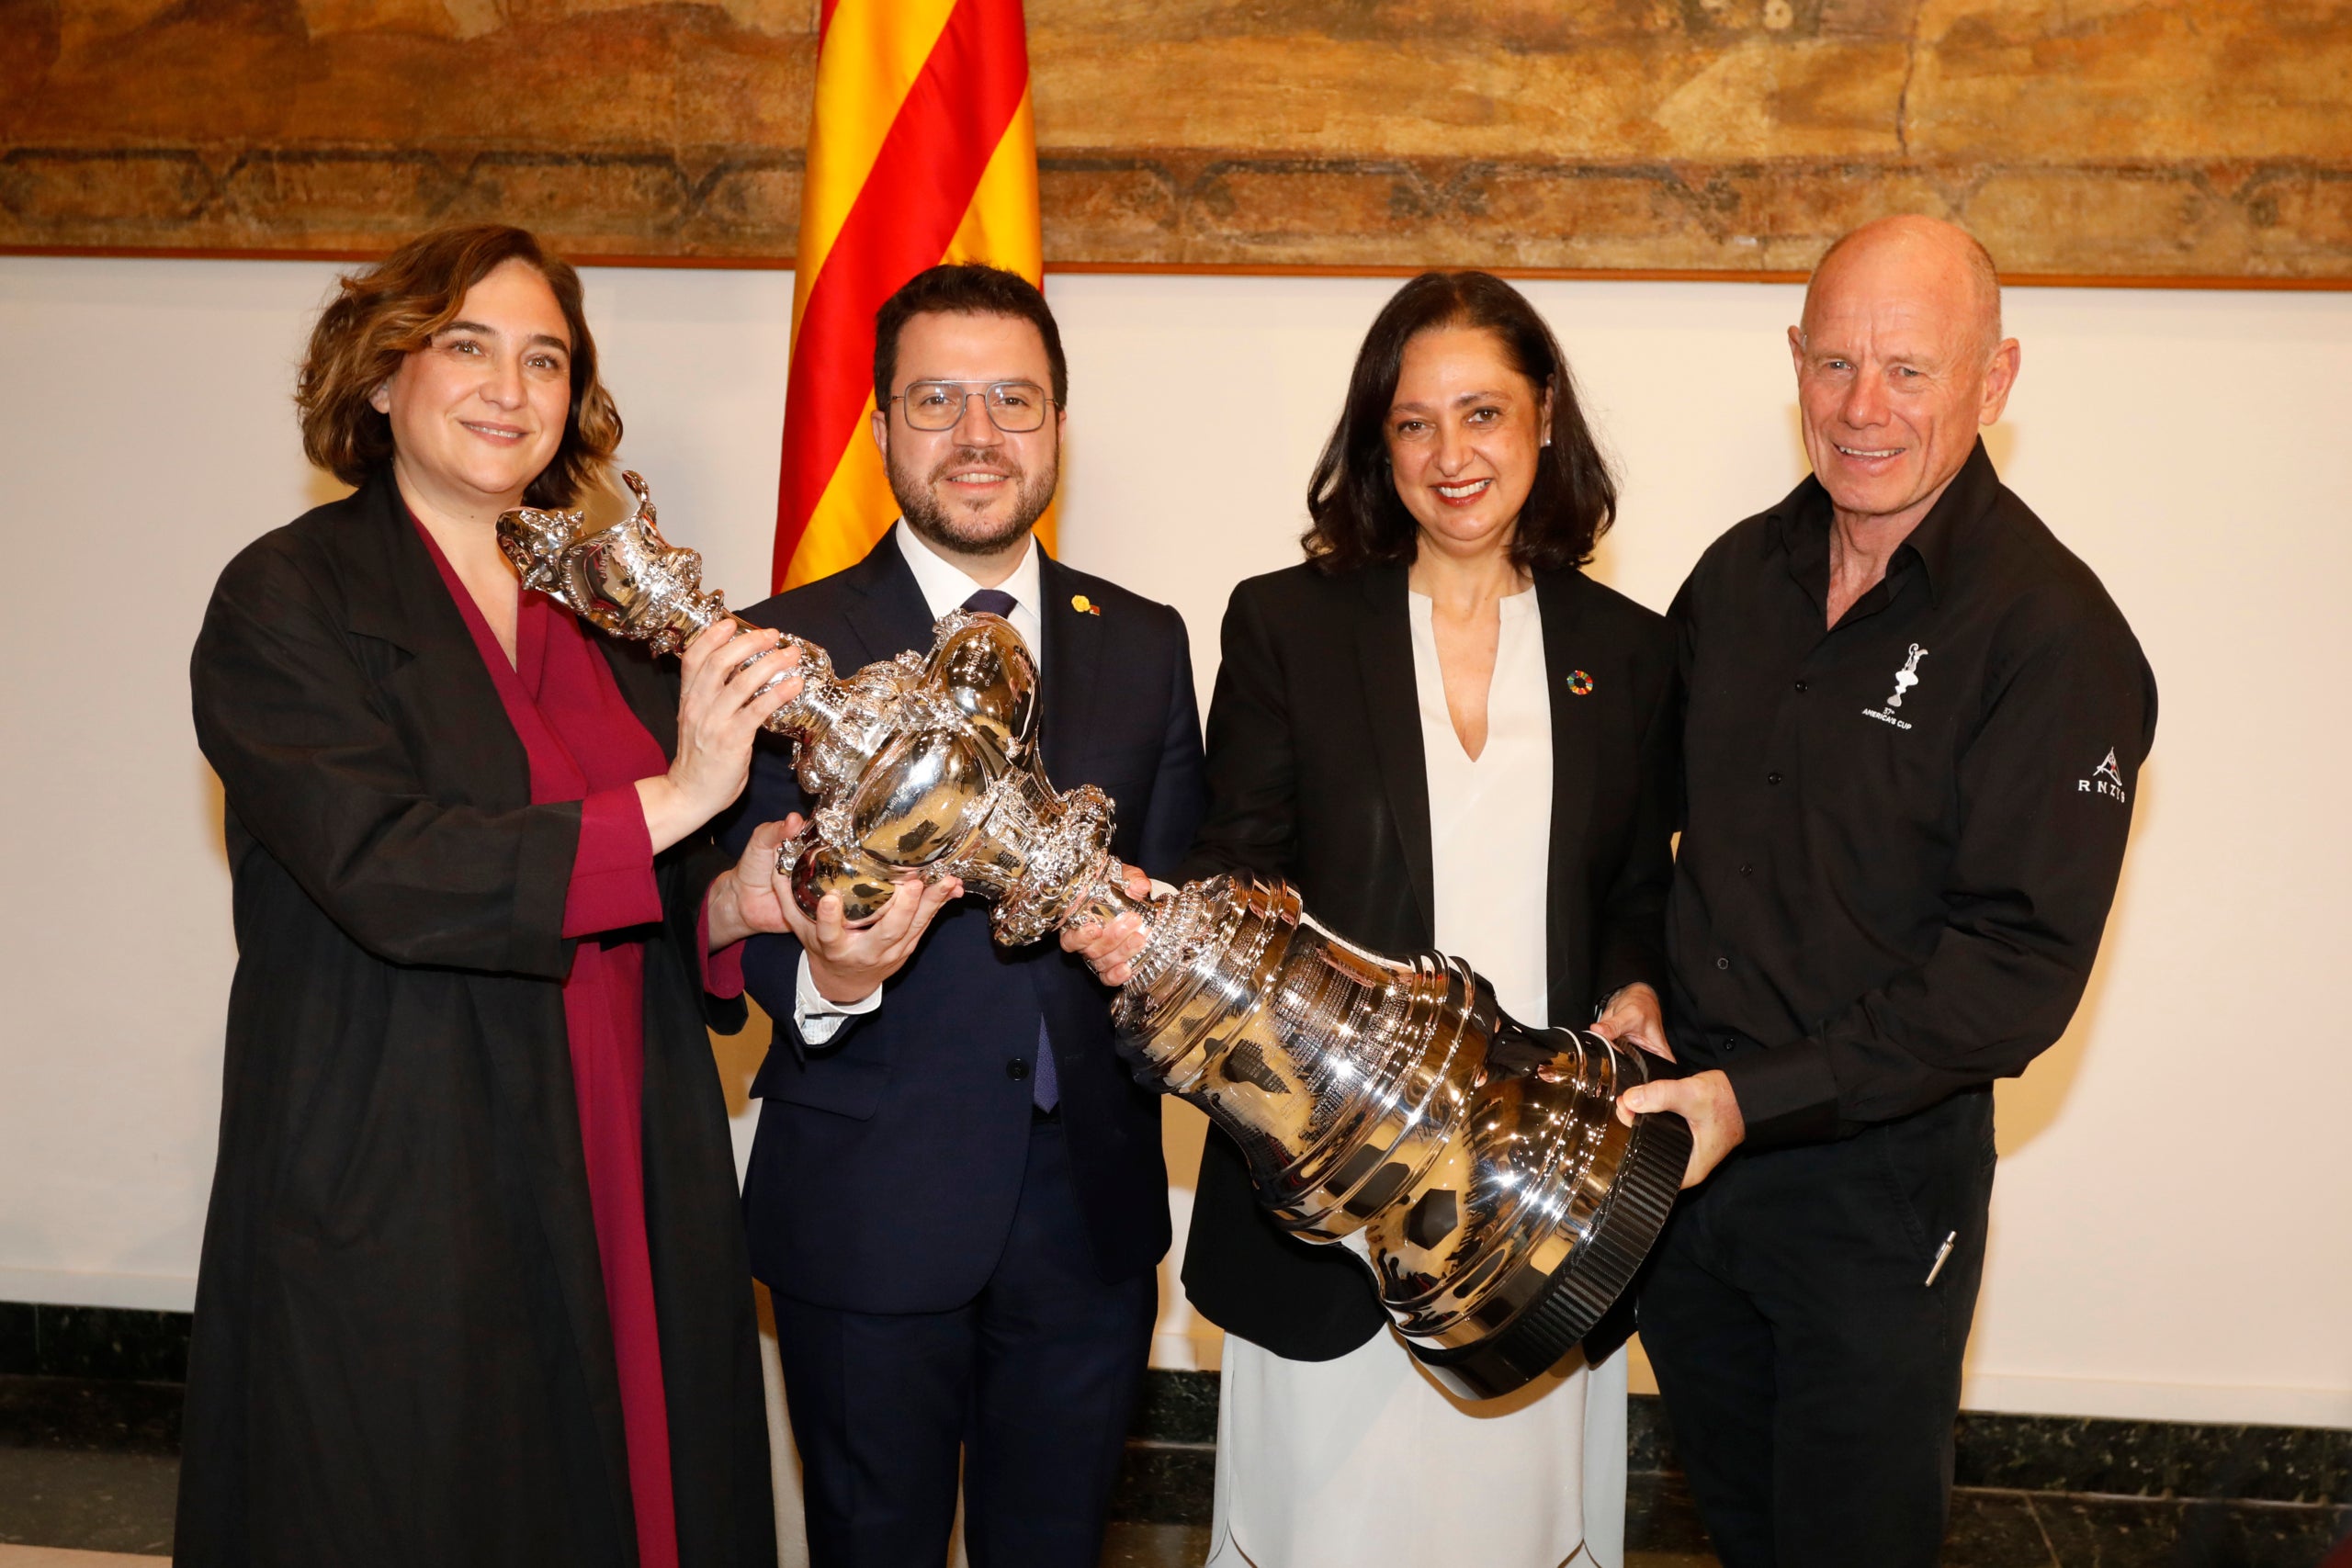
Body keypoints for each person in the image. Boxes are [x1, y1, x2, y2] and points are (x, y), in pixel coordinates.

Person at [180, 223, 797, 1568]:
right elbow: (394, 871)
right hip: (412, 1154)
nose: (509, 388)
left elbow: (644, 878)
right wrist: (686, 798)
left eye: (546, 360)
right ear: (384, 373)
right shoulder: (284, 597)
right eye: (466, 346)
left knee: (640, 1494)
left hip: (623, 1142)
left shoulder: (609, 613)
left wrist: (741, 899)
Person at [1618, 216, 2159, 1566]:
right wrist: (1632, 975)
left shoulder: (2055, 638)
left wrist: (1756, 1099)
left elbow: (2014, 975)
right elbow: (1635, 826)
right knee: (1735, 1531)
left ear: (1996, 379)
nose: (1863, 409)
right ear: (1793, 362)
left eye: (1910, 371)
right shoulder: (1735, 578)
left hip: (1876, 1198)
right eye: (1836, 363)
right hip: (1682, 1171)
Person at [1170, 270, 1679, 1567]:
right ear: (1375, 439)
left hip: (1541, 1195)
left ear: (1545, 418)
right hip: (1337, 1198)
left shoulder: (1629, 652)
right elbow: (1238, 881)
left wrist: (1635, 990)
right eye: (1414, 423)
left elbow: (1635, 890)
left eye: (1484, 414)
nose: (1451, 456)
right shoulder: (1288, 627)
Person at [723, 263, 1205, 1568]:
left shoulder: (1146, 643)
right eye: (937, 400)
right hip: (869, 1200)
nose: (979, 435)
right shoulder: (782, 651)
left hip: (1089, 1214)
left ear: (1058, 425)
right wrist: (831, 976)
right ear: (879, 426)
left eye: (1014, 399)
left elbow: (1171, 901)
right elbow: (732, 912)